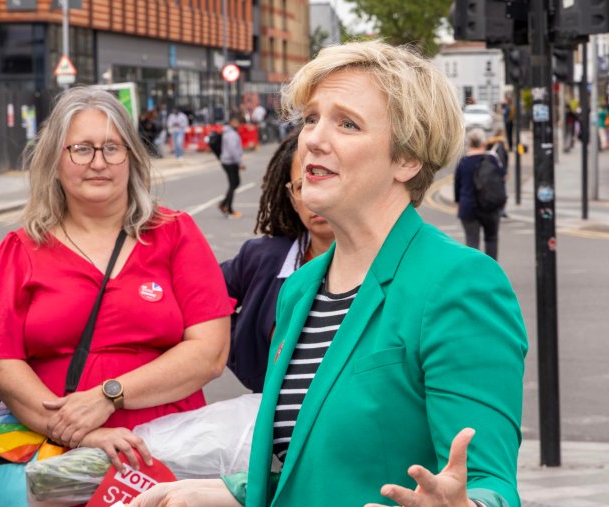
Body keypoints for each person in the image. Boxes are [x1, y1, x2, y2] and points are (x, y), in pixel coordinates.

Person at [130, 40, 527, 507]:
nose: (314, 138)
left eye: (347, 123)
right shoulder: (300, 288)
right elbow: (317, 469)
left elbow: (487, 480)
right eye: (311, 118)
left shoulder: (459, 284)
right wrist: (234, 491)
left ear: (406, 159)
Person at [0, 86, 234, 472]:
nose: (99, 162)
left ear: (131, 157)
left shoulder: (176, 233)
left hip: (169, 453)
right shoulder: (22, 248)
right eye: (82, 148)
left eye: (113, 147)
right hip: (58, 458)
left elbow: (210, 353)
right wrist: (78, 433)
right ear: (55, 161)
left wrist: (110, 396)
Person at [221, 132, 334, 393]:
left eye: (323, 178)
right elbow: (201, 297)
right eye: (301, 185)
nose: (313, 197)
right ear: (291, 198)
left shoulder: (390, 264)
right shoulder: (262, 257)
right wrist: (238, 344)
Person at [455, 128, 506, 259]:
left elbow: (457, 186)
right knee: (491, 239)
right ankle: (491, 274)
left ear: (469, 143)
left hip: (468, 207)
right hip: (490, 206)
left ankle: (474, 276)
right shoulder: (492, 159)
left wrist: (458, 203)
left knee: (472, 244)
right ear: (483, 143)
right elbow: (502, 179)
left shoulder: (463, 162)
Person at [218, 116, 245, 218]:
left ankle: (225, 205)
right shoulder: (231, 134)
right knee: (234, 183)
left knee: (234, 184)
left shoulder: (227, 132)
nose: (239, 125)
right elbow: (233, 150)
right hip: (231, 162)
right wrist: (240, 162)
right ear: (233, 122)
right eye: (238, 123)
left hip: (227, 161)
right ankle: (226, 207)